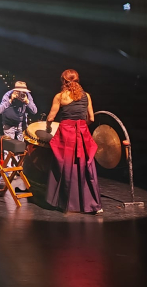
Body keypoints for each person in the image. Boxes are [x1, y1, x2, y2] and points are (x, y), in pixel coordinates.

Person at [45, 69, 103, 214]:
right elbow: (91, 118)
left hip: (66, 132)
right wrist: (82, 126)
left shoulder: (60, 96)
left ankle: (65, 203)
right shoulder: (86, 96)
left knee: (65, 165)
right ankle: (92, 205)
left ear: (63, 81)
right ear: (77, 80)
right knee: (85, 164)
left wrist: (48, 127)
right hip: (82, 132)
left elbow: (51, 117)